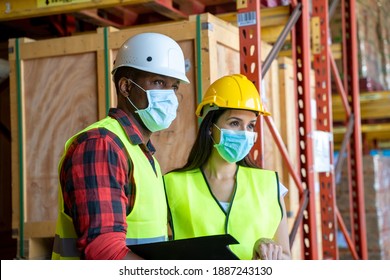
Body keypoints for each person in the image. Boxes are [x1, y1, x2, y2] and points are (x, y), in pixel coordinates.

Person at [52, 32, 190, 260]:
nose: (170, 95)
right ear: (125, 86)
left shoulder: (143, 155)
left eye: (174, 87)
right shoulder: (101, 146)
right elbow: (104, 251)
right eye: (158, 82)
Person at [164, 74, 291, 260]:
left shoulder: (271, 185)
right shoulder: (172, 185)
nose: (244, 133)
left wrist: (269, 254)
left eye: (250, 126)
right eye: (234, 123)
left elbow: (287, 257)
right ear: (210, 127)